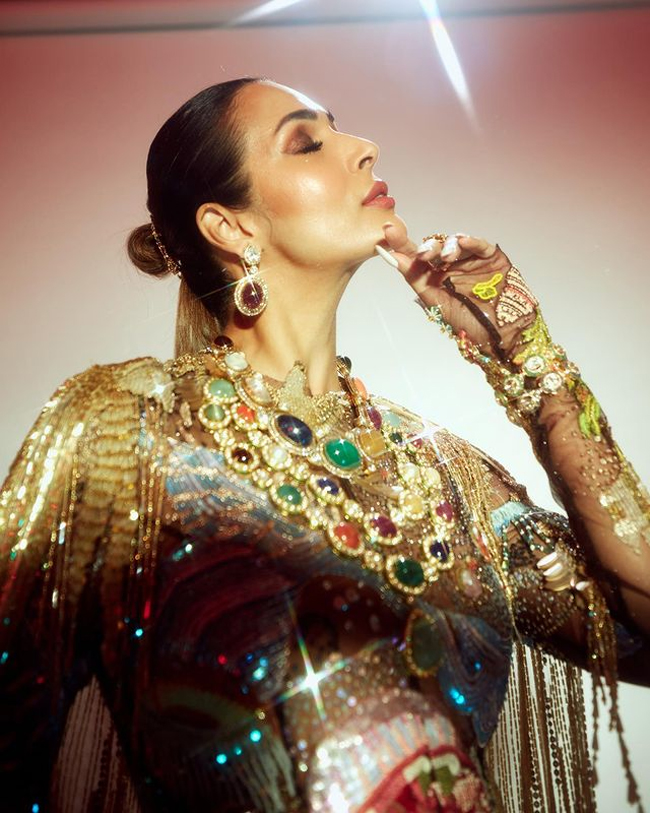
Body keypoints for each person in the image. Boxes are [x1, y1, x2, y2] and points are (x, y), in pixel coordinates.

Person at [1, 77, 648, 813]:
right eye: (308, 142)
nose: (365, 148)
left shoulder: (445, 475)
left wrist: (524, 356)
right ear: (230, 227)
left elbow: (637, 621)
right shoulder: (126, 432)